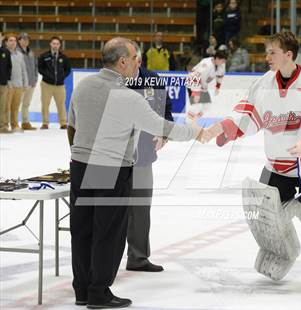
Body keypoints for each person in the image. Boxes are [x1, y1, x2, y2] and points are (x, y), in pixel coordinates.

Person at [199, 30, 301, 290]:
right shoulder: (264, 84)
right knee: (263, 214)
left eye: (272, 52)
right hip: (278, 165)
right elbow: (248, 115)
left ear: (288, 55)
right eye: (267, 51)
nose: (266, 57)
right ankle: (280, 253)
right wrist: (223, 127)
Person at [67, 37, 205, 309]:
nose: (137, 64)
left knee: (82, 230)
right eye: (134, 59)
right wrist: (198, 132)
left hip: (81, 166)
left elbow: (72, 127)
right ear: (122, 62)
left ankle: (82, 289)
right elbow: (162, 127)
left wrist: (80, 155)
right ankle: (99, 292)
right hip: (111, 169)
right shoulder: (127, 96)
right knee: (108, 232)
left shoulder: (82, 87)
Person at [125, 64, 173, 272]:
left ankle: (138, 257)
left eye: (136, 56)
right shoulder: (112, 79)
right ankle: (102, 261)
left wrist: (164, 133)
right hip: (111, 156)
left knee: (140, 209)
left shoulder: (153, 79)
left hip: (142, 155)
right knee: (109, 208)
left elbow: (166, 109)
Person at [38, 36, 71, 129]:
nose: (55, 45)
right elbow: (40, 68)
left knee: (61, 104)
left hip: (60, 85)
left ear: (60, 45)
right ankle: (45, 123)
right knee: (45, 104)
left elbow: (68, 70)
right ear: (50, 44)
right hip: (46, 84)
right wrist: (48, 75)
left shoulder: (64, 57)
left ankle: (63, 123)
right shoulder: (44, 56)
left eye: (57, 44)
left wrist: (61, 77)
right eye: (54, 43)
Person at [5, 33, 28, 133]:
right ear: (6, 42)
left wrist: (25, 83)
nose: (13, 42)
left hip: (19, 85)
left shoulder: (20, 55)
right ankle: (4, 125)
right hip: (8, 85)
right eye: (10, 40)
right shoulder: (4, 54)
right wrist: (8, 83)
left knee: (15, 107)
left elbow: (23, 70)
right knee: (6, 107)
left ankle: (14, 125)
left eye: (14, 40)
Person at [17, 33, 38, 130]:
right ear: (19, 40)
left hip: (31, 83)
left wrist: (35, 79)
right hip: (20, 83)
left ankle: (25, 123)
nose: (26, 41)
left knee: (26, 104)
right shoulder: (16, 52)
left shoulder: (31, 52)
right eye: (23, 39)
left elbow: (35, 66)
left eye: (27, 39)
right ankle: (14, 123)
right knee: (16, 104)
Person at [0, 30, 12, 134]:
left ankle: (3, 126)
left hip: (2, 83)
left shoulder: (6, 51)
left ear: (2, 37)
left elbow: (9, 67)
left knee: (2, 105)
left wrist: (6, 79)